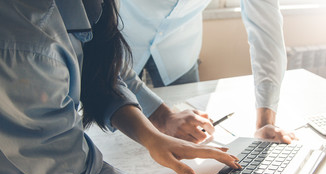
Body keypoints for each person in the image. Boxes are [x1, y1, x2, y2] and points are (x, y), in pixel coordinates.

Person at [0, 0, 241, 174]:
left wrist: (152, 137)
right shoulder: (25, 40)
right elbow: (75, 172)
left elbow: (102, 73)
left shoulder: (85, 8)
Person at [119, 0, 297, 143]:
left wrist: (265, 122)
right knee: (120, 137)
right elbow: (100, 46)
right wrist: (162, 117)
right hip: (120, 46)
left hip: (179, 51)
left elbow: (266, 34)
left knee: (190, 137)